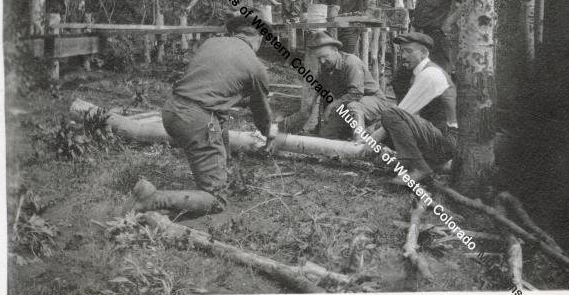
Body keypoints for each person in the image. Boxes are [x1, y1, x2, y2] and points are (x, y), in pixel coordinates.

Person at [126, 16, 277, 214]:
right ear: (259, 39)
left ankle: (219, 175)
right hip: (196, 121)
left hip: (171, 110)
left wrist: (226, 158)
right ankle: (153, 199)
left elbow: (214, 98)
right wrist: (269, 132)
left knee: (216, 130)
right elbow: (260, 110)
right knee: (216, 199)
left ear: (234, 33)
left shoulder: (211, 43)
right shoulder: (256, 66)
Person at [279, 31, 391, 142]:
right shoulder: (325, 68)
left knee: (354, 106)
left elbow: (356, 93)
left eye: (325, 56)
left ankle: (360, 143)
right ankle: (362, 131)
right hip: (345, 104)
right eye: (319, 58)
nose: (322, 61)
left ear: (335, 50)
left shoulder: (351, 62)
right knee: (326, 135)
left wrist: (332, 106)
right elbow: (318, 89)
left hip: (373, 101)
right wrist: (305, 111)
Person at [380, 32, 459, 185]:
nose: (403, 56)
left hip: (448, 139)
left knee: (390, 116)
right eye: (402, 51)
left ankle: (420, 168)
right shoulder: (418, 72)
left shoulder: (430, 74)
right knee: (388, 123)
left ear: (424, 53)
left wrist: (369, 140)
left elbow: (403, 112)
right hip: (437, 135)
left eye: (409, 51)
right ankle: (422, 163)